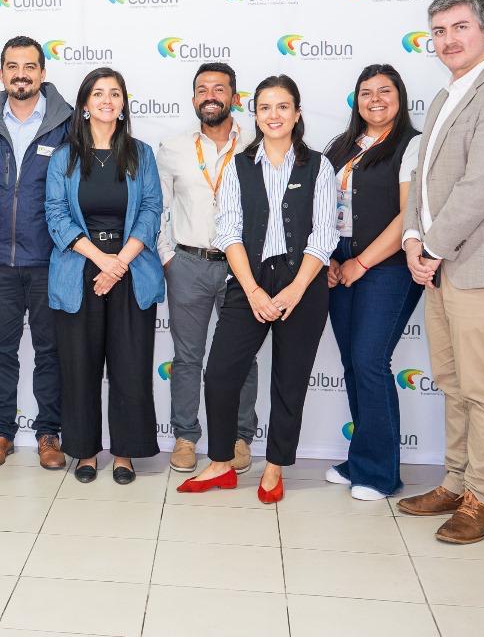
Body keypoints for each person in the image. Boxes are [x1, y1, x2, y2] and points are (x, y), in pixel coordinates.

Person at [396, 0, 484, 544]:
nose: (448, 40)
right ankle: (455, 483)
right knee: (452, 383)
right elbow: (424, 180)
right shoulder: (443, 97)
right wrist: (413, 237)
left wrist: (431, 248)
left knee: (483, 388)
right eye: (439, 31)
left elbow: (482, 186)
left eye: (459, 27)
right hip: (442, 263)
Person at [177, 75, 337, 503]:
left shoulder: (319, 166)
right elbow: (228, 231)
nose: (274, 115)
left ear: (297, 113)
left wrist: (294, 291)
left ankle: (275, 467)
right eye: (265, 107)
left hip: (303, 282)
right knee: (221, 374)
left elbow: (324, 236)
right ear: (255, 114)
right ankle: (221, 463)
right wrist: (252, 291)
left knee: (290, 380)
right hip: (249, 281)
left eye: (283, 106)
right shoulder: (239, 165)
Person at [45, 68, 163, 485]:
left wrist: (120, 263)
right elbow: (56, 216)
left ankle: (125, 452)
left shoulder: (141, 153)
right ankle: (85, 450)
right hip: (80, 268)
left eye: (115, 93)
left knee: (130, 365)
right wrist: (101, 260)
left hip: (131, 270)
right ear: (84, 104)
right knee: (80, 366)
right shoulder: (65, 156)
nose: (107, 100)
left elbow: (150, 211)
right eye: (99, 93)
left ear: (124, 104)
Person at [323, 65, 423, 501]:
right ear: (356, 100)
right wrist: (326, 258)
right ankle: (361, 456)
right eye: (366, 92)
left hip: (388, 266)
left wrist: (360, 263)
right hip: (339, 263)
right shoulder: (341, 147)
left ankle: (380, 473)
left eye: (385, 91)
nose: (376, 99)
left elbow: (408, 216)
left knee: (368, 360)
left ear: (400, 97)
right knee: (351, 362)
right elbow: (321, 208)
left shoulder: (412, 145)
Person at [0, 35, 71, 470]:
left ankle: (49, 432)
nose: (21, 74)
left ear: (42, 73)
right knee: (1, 350)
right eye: (12, 66)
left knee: (51, 351)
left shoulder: (67, 126)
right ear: (1, 74)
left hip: (51, 259)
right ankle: (0, 433)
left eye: (29, 66)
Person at [156, 63, 256, 475]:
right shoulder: (174, 147)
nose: (210, 95)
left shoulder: (256, 141)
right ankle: (185, 436)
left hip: (241, 268)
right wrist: (168, 258)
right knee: (187, 356)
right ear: (194, 98)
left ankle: (238, 436)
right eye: (202, 89)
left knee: (241, 357)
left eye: (219, 88)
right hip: (189, 264)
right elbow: (158, 208)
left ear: (235, 96)